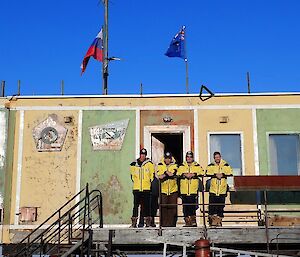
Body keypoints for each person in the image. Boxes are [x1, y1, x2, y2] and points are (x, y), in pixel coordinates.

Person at [178, 151, 205, 227]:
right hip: (184, 190)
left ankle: (193, 222)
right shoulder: (182, 166)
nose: (189, 158)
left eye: (190, 157)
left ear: (192, 158)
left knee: (193, 207)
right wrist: (184, 174)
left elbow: (202, 172)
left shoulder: (197, 166)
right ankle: (187, 222)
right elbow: (177, 173)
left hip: (193, 190)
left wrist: (194, 174)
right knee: (185, 207)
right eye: (187, 157)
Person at [206, 151, 233, 227]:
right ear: (214, 158)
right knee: (212, 207)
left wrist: (222, 174)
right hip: (213, 190)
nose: (217, 158)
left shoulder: (226, 165)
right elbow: (207, 172)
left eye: (218, 157)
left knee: (220, 207)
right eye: (215, 157)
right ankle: (212, 222)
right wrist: (215, 175)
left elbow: (230, 172)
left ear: (220, 157)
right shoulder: (211, 165)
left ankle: (219, 222)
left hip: (222, 190)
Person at [130, 148, 155, 228]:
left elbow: (152, 176)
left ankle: (147, 223)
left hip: (146, 188)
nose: (143, 156)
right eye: (142, 154)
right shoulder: (134, 164)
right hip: (137, 188)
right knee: (135, 206)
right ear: (140, 154)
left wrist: (148, 183)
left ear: (146, 155)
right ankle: (134, 223)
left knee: (146, 206)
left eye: (144, 154)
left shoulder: (150, 164)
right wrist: (137, 183)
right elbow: (132, 176)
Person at [157, 152, 178, 227]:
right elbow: (160, 176)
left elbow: (173, 174)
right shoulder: (160, 165)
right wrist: (167, 173)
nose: (167, 160)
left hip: (173, 190)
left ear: (171, 158)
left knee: (172, 208)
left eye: (169, 158)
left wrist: (164, 173)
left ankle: (172, 225)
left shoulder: (175, 165)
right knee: (163, 208)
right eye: (166, 158)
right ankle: (163, 225)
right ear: (164, 158)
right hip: (163, 190)